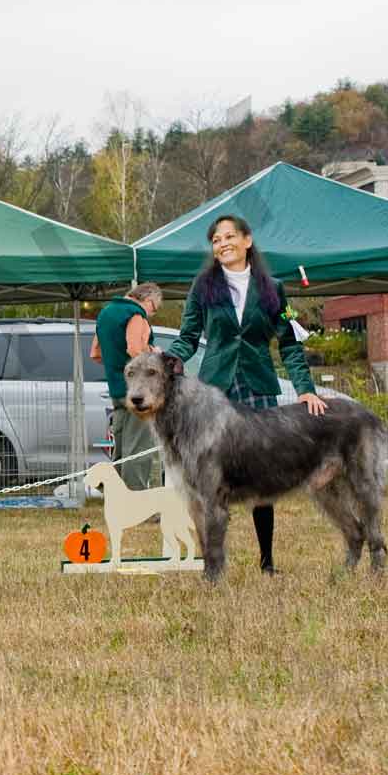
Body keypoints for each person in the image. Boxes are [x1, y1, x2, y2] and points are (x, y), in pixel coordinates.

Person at [165, 214, 326, 575]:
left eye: (228, 237)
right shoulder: (203, 287)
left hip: (257, 386)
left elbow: (289, 343)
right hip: (216, 390)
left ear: (247, 240)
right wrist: (168, 359)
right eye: (216, 240)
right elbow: (188, 336)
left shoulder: (274, 289)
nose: (222, 244)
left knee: (260, 471)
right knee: (209, 476)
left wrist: (305, 390)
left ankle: (267, 561)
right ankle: (213, 562)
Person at [90, 282, 163, 490]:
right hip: (139, 392)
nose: (151, 314)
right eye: (154, 309)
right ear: (148, 300)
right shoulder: (136, 314)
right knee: (139, 448)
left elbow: (95, 353)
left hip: (116, 390)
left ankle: (117, 497)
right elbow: (134, 349)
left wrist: (117, 364)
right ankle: (138, 503)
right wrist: (153, 352)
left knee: (121, 447)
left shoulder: (105, 313)